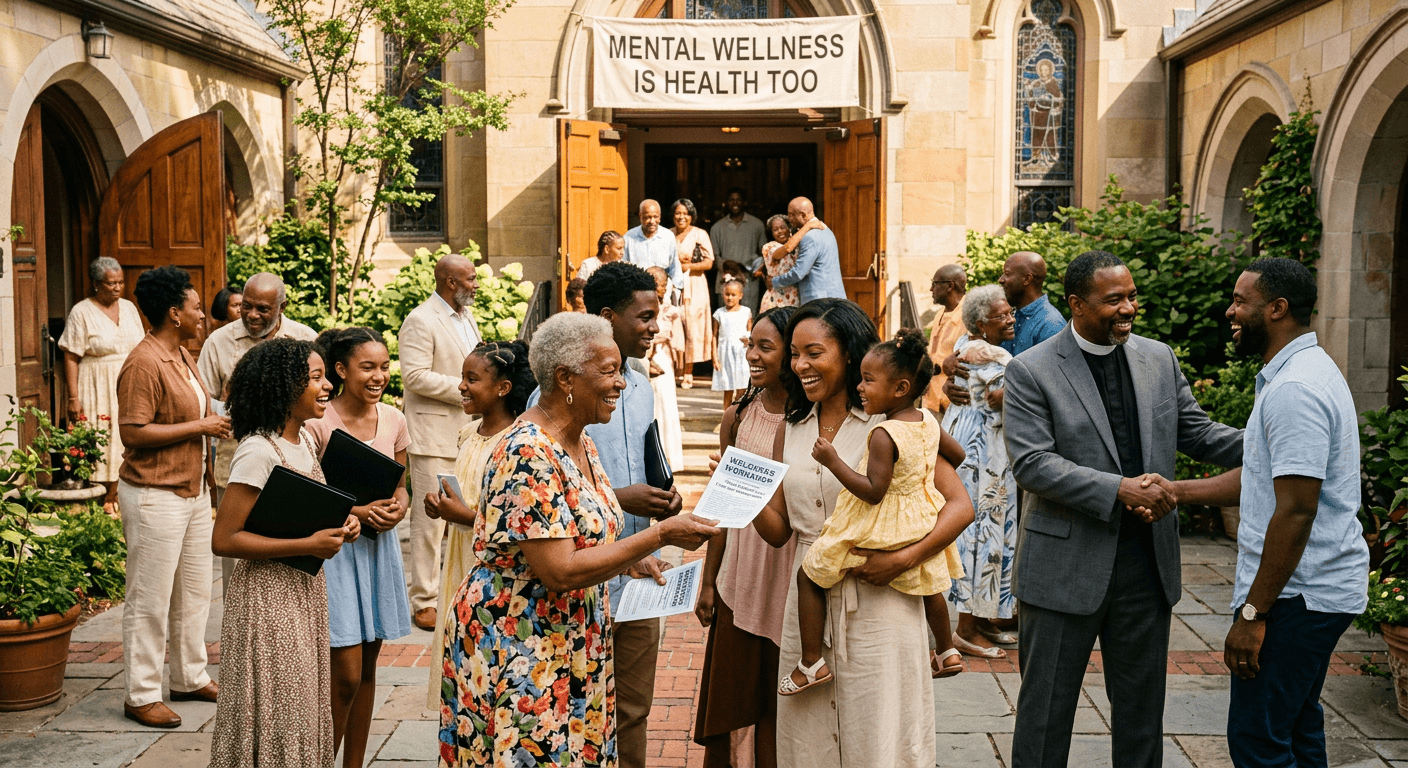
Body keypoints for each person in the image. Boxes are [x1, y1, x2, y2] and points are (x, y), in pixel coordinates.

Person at [437, 311, 719, 768]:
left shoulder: (579, 440)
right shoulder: (527, 451)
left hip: (569, 636)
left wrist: (629, 562)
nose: (621, 384)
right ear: (565, 378)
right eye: (608, 372)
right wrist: (658, 537)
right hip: (520, 640)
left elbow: (575, 534)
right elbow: (558, 569)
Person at [1002, 250, 1244, 767]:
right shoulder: (1031, 370)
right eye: (1114, 299)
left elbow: (1197, 433)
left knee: (1141, 715)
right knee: (1045, 714)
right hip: (1063, 568)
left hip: (1145, 567)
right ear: (1077, 304)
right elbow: (1033, 464)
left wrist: (1275, 438)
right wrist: (1120, 489)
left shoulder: (1159, 358)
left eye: (1131, 296)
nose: (1128, 308)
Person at [747, 298, 975, 768]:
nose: (799, 365)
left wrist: (906, 558)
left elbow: (960, 506)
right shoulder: (790, 426)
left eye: (814, 352)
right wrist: (737, 496)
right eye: (794, 353)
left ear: (849, 354)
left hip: (883, 599)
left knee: (882, 735)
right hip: (808, 601)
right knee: (808, 740)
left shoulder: (893, 420)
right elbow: (779, 531)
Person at [1159, 258, 1368, 768]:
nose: (1230, 311)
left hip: (1299, 597)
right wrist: (1177, 492)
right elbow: (1262, 479)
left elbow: (1296, 511)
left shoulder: (1295, 389)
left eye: (1240, 301)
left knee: (1259, 742)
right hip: (1309, 593)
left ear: (1277, 309)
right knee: (1296, 727)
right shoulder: (1298, 373)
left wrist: (1254, 615)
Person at [523, 260, 686, 768]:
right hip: (578, 578)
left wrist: (664, 495)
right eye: (644, 317)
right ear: (608, 317)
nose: (654, 328)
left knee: (633, 708)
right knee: (575, 708)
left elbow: (647, 457)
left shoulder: (637, 387)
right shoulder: (550, 402)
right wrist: (624, 497)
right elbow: (549, 496)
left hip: (638, 569)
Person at [782, 328, 965, 696]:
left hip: (885, 523)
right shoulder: (928, 420)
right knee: (932, 584)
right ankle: (946, 650)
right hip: (921, 515)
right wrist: (920, 472)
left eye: (868, 381)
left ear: (899, 389)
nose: (861, 388)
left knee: (810, 574)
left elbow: (872, 492)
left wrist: (833, 461)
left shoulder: (883, 433)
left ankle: (811, 662)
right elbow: (957, 456)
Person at [208, 338, 360, 767]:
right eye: (315, 378)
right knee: (280, 711)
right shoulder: (258, 451)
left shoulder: (306, 442)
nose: (327, 385)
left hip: (303, 593)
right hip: (267, 599)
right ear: (284, 386)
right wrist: (307, 545)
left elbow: (301, 514)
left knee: (303, 707)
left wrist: (344, 523)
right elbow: (224, 539)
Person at [114, 265, 229, 729]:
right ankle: (140, 693)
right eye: (196, 307)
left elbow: (201, 408)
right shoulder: (143, 362)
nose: (203, 314)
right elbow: (133, 431)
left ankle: (188, 675)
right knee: (149, 597)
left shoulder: (182, 354)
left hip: (193, 490)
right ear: (173, 313)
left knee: (195, 592)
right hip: (153, 494)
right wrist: (201, 426)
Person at [304, 327, 413, 768]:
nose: (379, 376)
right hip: (336, 551)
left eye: (385, 366)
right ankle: (319, 762)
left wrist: (398, 510)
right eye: (367, 367)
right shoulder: (316, 422)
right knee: (344, 676)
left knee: (368, 672)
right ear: (341, 369)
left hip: (378, 551)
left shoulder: (394, 420)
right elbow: (310, 495)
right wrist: (361, 512)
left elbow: (401, 487)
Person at [694, 305, 797, 768]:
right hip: (742, 569)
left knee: (782, 699)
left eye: (765, 346)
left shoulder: (812, 421)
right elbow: (722, 508)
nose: (751, 354)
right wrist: (709, 580)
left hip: (792, 569)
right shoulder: (739, 415)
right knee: (736, 695)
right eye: (749, 344)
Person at [421, 339, 536, 711]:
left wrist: (466, 517)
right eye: (461, 377)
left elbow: (516, 522)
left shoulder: (518, 442)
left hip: (493, 567)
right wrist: (442, 506)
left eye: (472, 379)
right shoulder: (467, 435)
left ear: (503, 388)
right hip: (460, 562)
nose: (461, 386)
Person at [199, 273, 320, 588]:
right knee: (237, 566)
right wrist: (227, 408)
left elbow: (319, 399)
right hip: (239, 463)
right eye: (247, 307)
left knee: (296, 554)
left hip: (295, 464)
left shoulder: (304, 338)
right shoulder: (219, 342)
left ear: (282, 306)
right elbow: (202, 402)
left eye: (263, 309)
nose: (252, 315)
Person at [399, 253, 482, 631]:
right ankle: (424, 600)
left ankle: (456, 588)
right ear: (450, 282)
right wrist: (466, 390)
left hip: (467, 433)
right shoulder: (420, 319)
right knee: (430, 522)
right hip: (433, 436)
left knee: (464, 514)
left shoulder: (467, 317)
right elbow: (414, 377)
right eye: (470, 278)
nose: (476, 284)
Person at [942, 285, 1018, 659]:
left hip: (978, 449)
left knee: (989, 535)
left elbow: (957, 371)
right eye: (1001, 315)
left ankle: (984, 618)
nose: (1010, 318)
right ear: (980, 325)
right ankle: (965, 627)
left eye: (1010, 312)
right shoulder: (994, 355)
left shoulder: (963, 344)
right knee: (981, 536)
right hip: (983, 456)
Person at [58, 256, 144, 513]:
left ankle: (119, 490)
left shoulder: (129, 307)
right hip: (94, 381)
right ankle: (99, 493)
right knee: (98, 432)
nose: (117, 288)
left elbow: (141, 346)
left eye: (120, 282)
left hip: (126, 380)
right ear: (96, 284)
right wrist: (73, 398)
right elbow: (71, 356)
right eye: (110, 283)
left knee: (125, 432)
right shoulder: (81, 311)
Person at [942, 251, 1064, 407]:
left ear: (1026, 279)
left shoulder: (1051, 324)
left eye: (1007, 274)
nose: (1001, 279)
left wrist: (1011, 395)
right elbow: (980, 356)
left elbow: (1055, 384)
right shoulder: (1007, 314)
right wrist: (950, 378)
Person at [766, 198, 846, 304]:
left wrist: (774, 281)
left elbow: (799, 273)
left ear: (803, 215)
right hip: (833, 296)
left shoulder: (810, 237)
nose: (789, 219)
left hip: (819, 299)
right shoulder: (826, 230)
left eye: (791, 215)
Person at [672, 198, 715, 389]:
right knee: (674, 324)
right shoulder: (667, 234)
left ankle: (688, 372)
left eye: (685, 213)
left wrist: (686, 266)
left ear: (691, 216)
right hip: (673, 285)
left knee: (692, 327)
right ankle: (675, 371)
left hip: (694, 284)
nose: (681, 217)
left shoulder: (700, 234)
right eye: (678, 213)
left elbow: (709, 262)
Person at [646, 266, 686, 471]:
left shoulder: (670, 309)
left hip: (663, 355)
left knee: (665, 403)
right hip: (646, 355)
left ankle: (669, 457)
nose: (661, 288)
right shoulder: (642, 307)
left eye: (663, 284)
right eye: (657, 283)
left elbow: (677, 338)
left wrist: (681, 361)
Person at [709, 188, 769, 313]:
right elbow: (714, 255)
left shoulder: (757, 225)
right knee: (725, 317)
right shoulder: (717, 227)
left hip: (749, 280)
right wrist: (729, 268)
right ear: (726, 202)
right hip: (726, 278)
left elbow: (765, 252)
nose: (735, 203)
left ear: (744, 202)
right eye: (731, 200)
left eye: (738, 200)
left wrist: (758, 267)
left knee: (748, 316)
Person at [921, 264, 967, 413]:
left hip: (952, 404)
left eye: (934, 283)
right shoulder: (939, 314)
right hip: (932, 401)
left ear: (950, 286)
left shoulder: (968, 316)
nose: (930, 289)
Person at [624, 199, 683, 294]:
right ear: (640, 216)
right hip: (637, 292)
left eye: (655, 217)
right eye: (647, 217)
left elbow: (674, 266)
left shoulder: (668, 236)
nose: (652, 221)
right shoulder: (629, 237)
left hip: (663, 293)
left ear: (660, 216)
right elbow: (624, 267)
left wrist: (676, 290)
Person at [711, 279, 752, 411]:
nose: (729, 298)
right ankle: (726, 415)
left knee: (742, 386)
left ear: (741, 295)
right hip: (725, 354)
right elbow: (714, 336)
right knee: (727, 387)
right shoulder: (719, 313)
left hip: (741, 353)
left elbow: (751, 332)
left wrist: (749, 340)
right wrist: (714, 358)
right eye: (727, 294)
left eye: (733, 295)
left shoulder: (746, 311)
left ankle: (737, 412)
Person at [759, 215, 800, 311]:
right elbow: (785, 250)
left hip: (794, 296)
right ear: (771, 233)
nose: (780, 231)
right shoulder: (769, 247)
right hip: (776, 298)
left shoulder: (798, 247)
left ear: (789, 228)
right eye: (775, 229)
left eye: (783, 227)